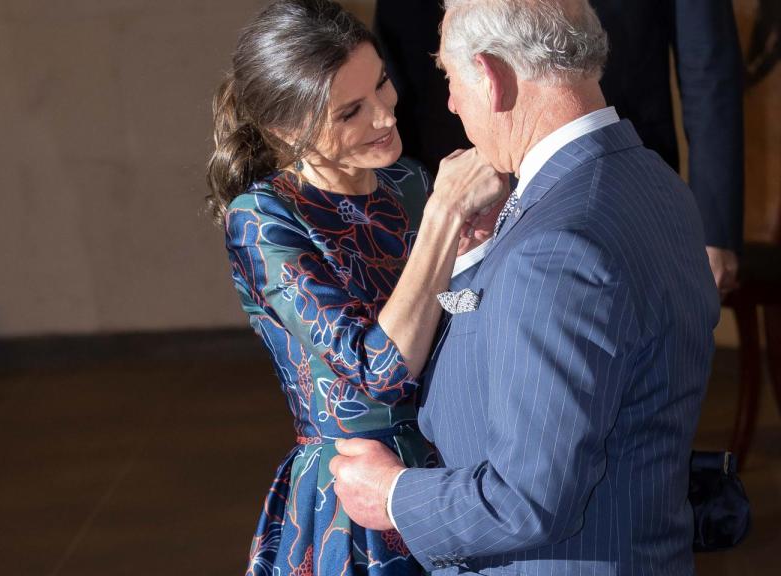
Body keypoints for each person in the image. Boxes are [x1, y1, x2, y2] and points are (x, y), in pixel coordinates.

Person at [330, 1, 721, 574]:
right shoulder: (654, 183)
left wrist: (391, 496)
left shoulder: (556, 246)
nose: (451, 102)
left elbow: (525, 502)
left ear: (490, 76)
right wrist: (484, 255)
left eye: (449, 78)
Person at [205, 1, 506, 574]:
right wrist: (444, 218)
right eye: (351, 112)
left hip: (455, 473)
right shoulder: (262, 217)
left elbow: (453, 318)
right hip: (357, 495)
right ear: (284, 129)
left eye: (384, 84)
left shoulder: (408, 181)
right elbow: (381, 374)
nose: (386, 117)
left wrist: (476, 256)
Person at [374, 0, 745, 295]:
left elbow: (708, 65)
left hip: (615, 187)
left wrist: (713, 226)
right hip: (456, 177)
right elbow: (400, 43)